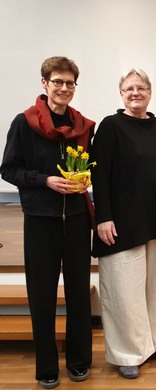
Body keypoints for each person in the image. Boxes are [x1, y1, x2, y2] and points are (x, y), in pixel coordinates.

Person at [91, 68, 156, 379]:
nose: (136, 93)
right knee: (124, 289)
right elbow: (99, 175)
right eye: (129, 88)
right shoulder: (110, 127)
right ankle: (129, 352)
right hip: (123, 222)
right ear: (121, 94)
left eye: (141, 88)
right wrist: (103, 217)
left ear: (150, 92)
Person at [0, 56, 94, 388]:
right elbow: (8, 169)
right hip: (41, 219)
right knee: (42, 296)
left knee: (79, 295)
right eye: (58, 81)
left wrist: (85, 179)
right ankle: (46, 368)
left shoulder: (84, 126)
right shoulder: (24, 123)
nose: (64, 88)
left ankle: (80, 361)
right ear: (45, 83)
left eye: (70, 83)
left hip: (78, 219)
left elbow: (91, 167)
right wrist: (45, 181)